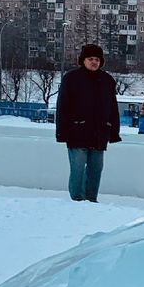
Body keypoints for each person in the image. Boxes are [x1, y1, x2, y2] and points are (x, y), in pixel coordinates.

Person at [55, 43, 120, 202]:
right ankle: (77, 199)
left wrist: (113, 131)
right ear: (83, 60)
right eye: (90, 59)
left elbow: (113, 107)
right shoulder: (71, 78)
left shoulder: (107, 80)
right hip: (77, 131)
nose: (94, 62)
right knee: (77, 168)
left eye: (97, 59)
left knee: (95, 169)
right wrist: (62, 132)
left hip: (99, 133)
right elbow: (62, 106)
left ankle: (91, 200)